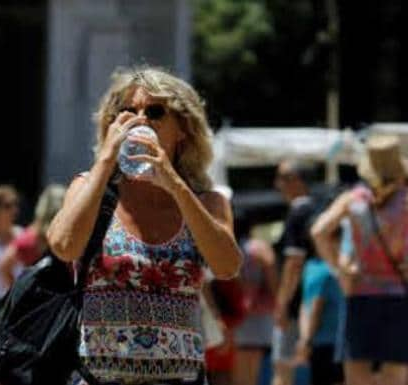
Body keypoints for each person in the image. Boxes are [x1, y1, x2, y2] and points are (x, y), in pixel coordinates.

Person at [47, 67, 242, 384]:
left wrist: (175, 184)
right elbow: (63, 246)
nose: (140, 119)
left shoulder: (207, 202)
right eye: (128, 111)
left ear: (183, 129)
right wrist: (105, 162)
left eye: (154, 112)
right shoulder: (89, 189)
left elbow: (227, 266)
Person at [311, 135, 408, 385]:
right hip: (400, 294)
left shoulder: (354, 199)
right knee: (395, 374)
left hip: (359, 291)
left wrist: (337, 267)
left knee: (356, 373)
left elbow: (319, 231)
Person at [272, 160, 317, 385]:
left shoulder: (298, 213)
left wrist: (282, 305)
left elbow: (293, 264)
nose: (277, 184)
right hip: (317, 300)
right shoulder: (319, 209)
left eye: (281, 178)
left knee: (282, 368)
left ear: (296, 180)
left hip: (295, 305)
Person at [233, 211, 278, 385]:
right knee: (254, 366)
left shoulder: (229, 247)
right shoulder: (259, 247)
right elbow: (272, 272)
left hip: (236, 312)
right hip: (259, 311)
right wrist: (277, 300)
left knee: (239, 368)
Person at [0, 184, 66, 288]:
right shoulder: (65, 233)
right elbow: (4, 265)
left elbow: (4, 265)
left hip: (37, 294)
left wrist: (16, 292)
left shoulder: (31, 235)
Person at [294, 255, 344, 385]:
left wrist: (306, 340)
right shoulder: (336, 268)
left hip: (322, 343)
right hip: (335, 342)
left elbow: (315, 307)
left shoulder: (313, 267)